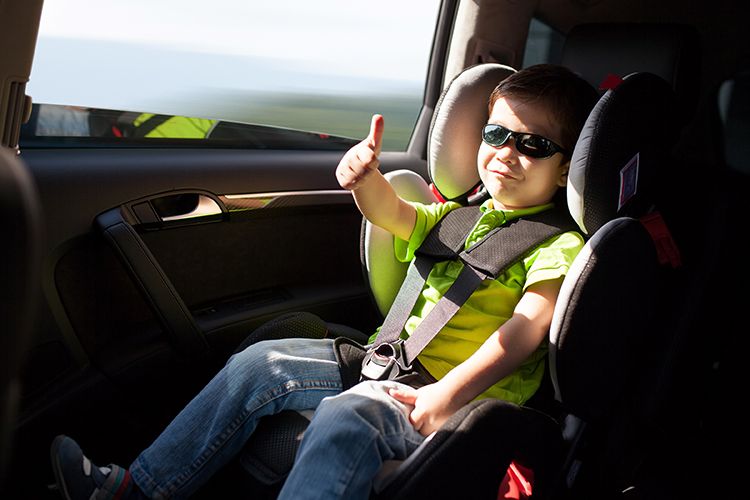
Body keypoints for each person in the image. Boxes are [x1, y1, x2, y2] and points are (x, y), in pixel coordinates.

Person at [49, 64, 599, 500]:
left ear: (565, 167)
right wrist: (365, 179)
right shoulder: (458, 217)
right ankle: (138, 489)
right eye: (496, 133)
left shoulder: (558, 245)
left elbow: (525, 331)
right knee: (259, 364)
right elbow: (393, 214)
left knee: (346, 415)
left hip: (450, 398)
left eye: (532, 144)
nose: (506, 153)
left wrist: (445, 396)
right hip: (384, 363)